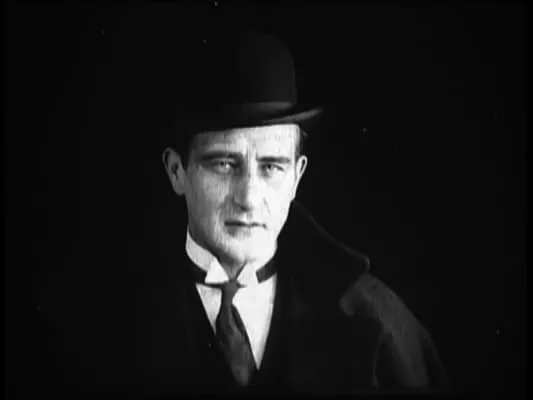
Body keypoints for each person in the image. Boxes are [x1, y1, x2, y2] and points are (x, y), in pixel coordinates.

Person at [25, 29, 449, 395]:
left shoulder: (375, 322)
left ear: (297, 177)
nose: (248, 197)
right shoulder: (93, 325)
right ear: (177, 172)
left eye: (271, 167)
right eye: (224, 165)